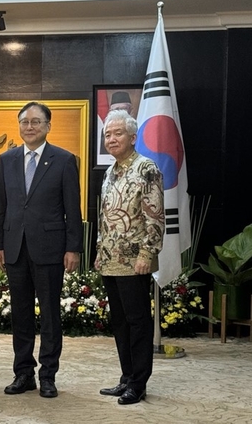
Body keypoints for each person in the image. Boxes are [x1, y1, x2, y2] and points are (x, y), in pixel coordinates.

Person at [0, 101, 83, 399]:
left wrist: (73, 248)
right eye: (24, 122)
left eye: (36, 122)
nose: (29, 127)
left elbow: (73, 208)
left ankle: (48, 375)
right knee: (20, 314)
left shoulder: (64, 159)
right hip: (15, 248)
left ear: (48, 126)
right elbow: (1, 206)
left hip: (50, 249)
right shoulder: (7, 159)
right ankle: (23, 373)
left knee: (49, 314)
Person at [95, 109, 165, 405]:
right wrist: (99, 251)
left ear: (133, 137)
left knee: (138, 323)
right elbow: (105, 218)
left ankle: (139, 382)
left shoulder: (146, 168)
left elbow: (156, 216)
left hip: (136, 260)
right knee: (120, 322)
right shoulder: (111, 171)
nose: (111, 139)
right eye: (108, 134)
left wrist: (147, 253)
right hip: (111, 261)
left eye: (117, 133)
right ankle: (126, 377)